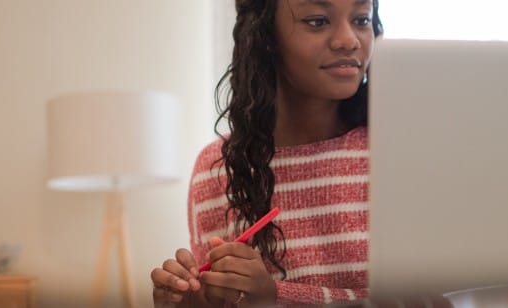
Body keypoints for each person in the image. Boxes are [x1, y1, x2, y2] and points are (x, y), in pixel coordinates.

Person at [151, 0, 386, 306]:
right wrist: (196, 300)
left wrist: (278, 298)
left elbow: (433, 300)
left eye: (361, 19)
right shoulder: (217, 169)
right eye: (317, 21)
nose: (348, 40)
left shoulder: (395, 154)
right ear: (264, 36)